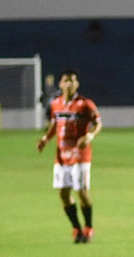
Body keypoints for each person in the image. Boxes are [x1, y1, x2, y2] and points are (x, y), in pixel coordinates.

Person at [36, 69, 101, 244]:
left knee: (81, 191)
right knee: (64, 193)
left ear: (77, 84)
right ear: (61, 84)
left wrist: (90, 136)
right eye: (66, 80)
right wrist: (45, 139)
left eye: (72, 81)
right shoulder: (56, 104)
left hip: (80, 154)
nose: (69, 84)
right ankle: (76, 228)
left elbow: (98, 122)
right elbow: (54, 125)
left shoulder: (85, 104)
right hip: (61, 155)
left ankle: (88, 226)